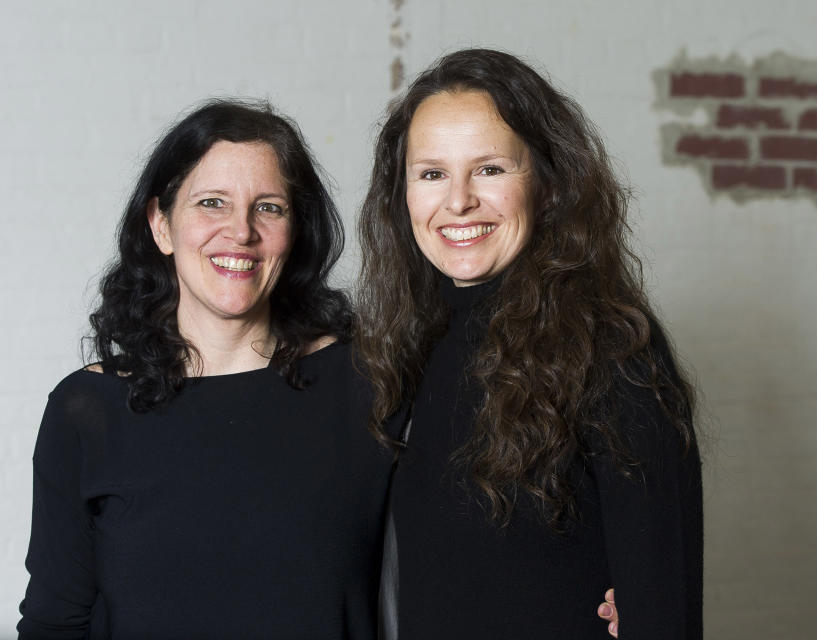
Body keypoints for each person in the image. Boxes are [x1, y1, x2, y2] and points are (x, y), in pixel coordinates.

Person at [355, 48, 703, 639]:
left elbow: (662, 608)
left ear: (547, 183)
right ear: (402, 192)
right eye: (432, 173)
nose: (458, 200)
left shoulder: (614, 348)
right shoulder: (404, 345)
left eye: (490, 169)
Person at [18, 100, 393, 639]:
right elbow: (55, 623)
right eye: (211, 203)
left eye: (268, 207)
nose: (240, 232)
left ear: (296, 233)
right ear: (161, 226)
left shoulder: (367, 385)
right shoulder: (86, 410)